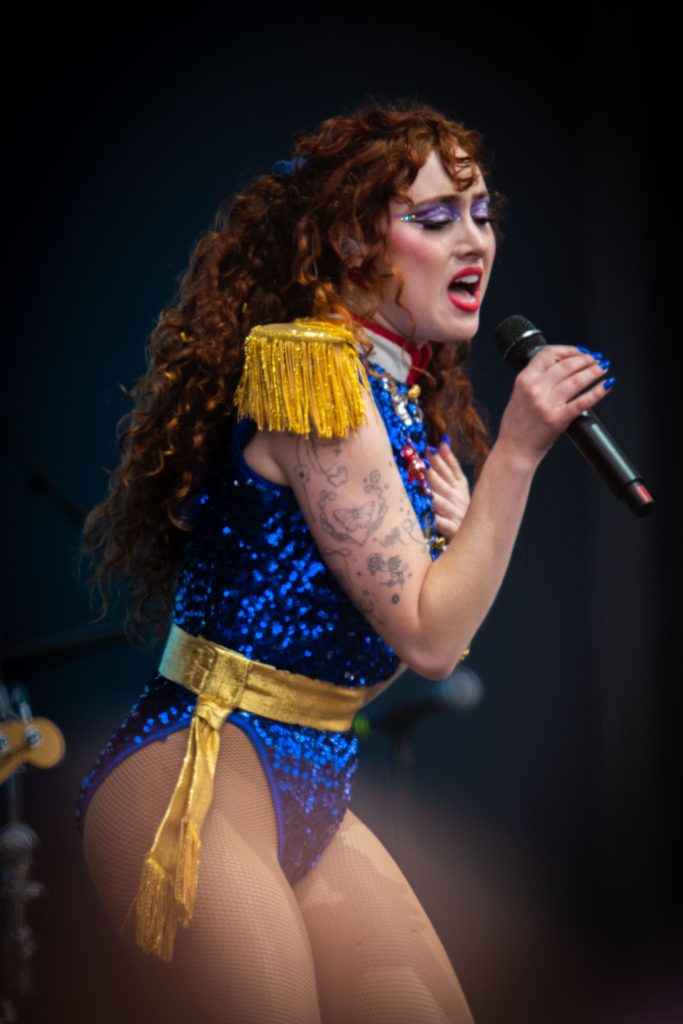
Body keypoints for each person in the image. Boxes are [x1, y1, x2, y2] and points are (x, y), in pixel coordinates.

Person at [77, 102, 614, 1024]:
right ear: (350, 243)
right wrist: (516, 456)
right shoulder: (311, 374)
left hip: (309, 786)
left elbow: (416, 634)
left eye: (480, 213)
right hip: (197, 780)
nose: (473, 239)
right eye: (434, 217)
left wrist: (457, 534)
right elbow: (433, 642)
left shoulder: (399, 397)